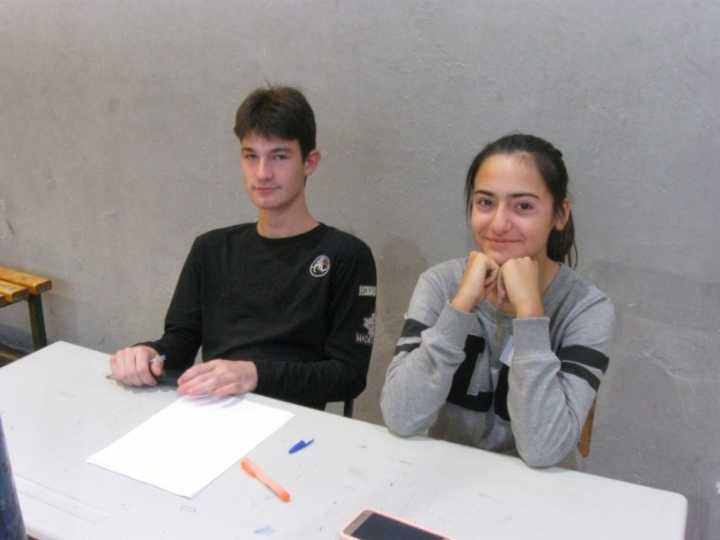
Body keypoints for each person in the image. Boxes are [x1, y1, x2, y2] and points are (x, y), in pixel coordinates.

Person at [110, 85, 377, 410]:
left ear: (309, 162)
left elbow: (348, 375)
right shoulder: (211, 249)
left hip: (296, 422)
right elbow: (179, 344)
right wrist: (148, 355)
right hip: (212, 411)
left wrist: (254, 374)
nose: (262, 173)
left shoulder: (346, 255)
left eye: (279, 156)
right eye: (251, 156)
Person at [380, 133, 614, 467]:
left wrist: (530, 314)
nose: (499, 224)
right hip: (445, 475)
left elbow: (544, 450)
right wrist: (461, 304)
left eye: (524, 206)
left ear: (560, 214)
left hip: (539, 489)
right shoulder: (440, 284)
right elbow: (401, 417)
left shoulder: (586, 308)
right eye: (485, 203)